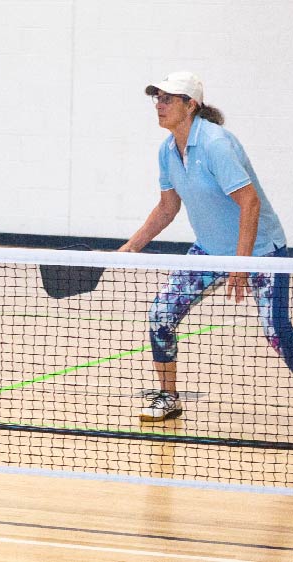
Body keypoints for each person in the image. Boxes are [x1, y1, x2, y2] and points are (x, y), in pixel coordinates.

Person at [119, 71, 291, 422]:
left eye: (168, 99)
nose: (160, 105)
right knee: (161, 315)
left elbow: (250, 203)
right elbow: (168, 207)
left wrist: (240, 266)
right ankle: (168, 397)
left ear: (190, 105)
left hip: (262, 253)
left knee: (277, 333)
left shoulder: (215, 144)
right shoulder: (168, 150)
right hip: (209, 251)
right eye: (157, 98)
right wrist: (132, 247)